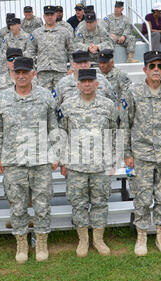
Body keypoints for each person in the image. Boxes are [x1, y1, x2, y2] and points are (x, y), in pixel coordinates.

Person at [0, 57, 59, 264]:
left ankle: (41, 242)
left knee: (42, 203)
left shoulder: (45, 96)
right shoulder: (2, 98)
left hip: (40, 160)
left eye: (25, 72)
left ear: (33, 73)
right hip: (13, 160)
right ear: (12, 74)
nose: (21, 76)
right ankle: (21, 242)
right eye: (17, 72)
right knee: (17, 205)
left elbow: (53, 127)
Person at [121, 51, 161, 256]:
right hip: (142, 154)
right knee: (142, 197)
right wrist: (127, 153)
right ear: (144, 69)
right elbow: (125, 124)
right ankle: (142, 236)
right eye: (152, 66)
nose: (156, 70)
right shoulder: (134, 92)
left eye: (160, 66)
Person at [58, 68, 117, 257]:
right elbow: (61, 134)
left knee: (100, 202)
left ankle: (98, 239)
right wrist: (63, 161)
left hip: (100, 164)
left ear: (97, 83)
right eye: (84, 81)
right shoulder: (67, 106)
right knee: (78, 203)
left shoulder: (108, 105)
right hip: (76, 165)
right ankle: (83, 239)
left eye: (91, 81)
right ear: (78, 84)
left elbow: (114, 133)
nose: (87, 84)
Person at [25, 5, 74, 92]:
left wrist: (72, 68)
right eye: (47, 15)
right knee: (44, 96)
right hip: (43, 72)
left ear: (56, 16)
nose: (50, 17)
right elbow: (30, 52)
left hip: (60, 70)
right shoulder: (37, 33)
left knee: (61, 95)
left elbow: (72, 50)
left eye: (52, 14)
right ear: (44, 16)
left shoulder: (64, 32)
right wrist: (32, 69)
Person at [54, 50, 117, 116]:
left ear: (89, 63)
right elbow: (55, 107)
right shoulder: (63, 83)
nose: (83, 65)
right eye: (79, 63)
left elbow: (114, 101)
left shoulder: (101, 80)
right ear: (73, 65)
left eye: (85, 62)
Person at [98, 48, 132, 113]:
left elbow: (127, 94)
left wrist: (121, 107)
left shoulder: (120, 75)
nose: (101, 65)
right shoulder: (97, 75)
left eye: (104, 63)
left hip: (116, 110)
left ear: (112, 63)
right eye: (100, 63)